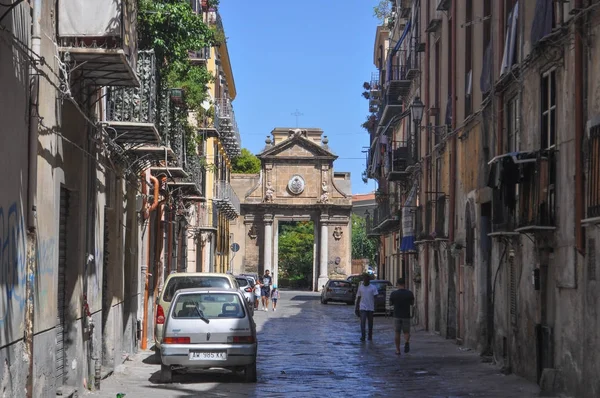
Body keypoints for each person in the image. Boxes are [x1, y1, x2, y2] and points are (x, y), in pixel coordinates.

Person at [389, 278, 415, 355]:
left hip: (397, 315)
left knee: (397, 332)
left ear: (397, 284)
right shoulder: (409, 293)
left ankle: (397, 350)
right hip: (406, 315)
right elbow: (412, 303)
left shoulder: (393, 294)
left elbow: (391, 303)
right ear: (404, 284)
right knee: (406, 332)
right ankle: (406, 342)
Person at [354, 273, 379, 341]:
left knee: (370, 322)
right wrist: (356, 307)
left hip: (370, 307)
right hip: (362, 307)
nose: (365, 280)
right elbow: (358, 297)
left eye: (366, 279)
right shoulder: (360, 287)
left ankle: (370, 335)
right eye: (364, 279)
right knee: (363, 322)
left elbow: (376, 297)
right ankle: (363, 336)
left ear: (369, 280)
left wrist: (376, 306)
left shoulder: (373, 287)